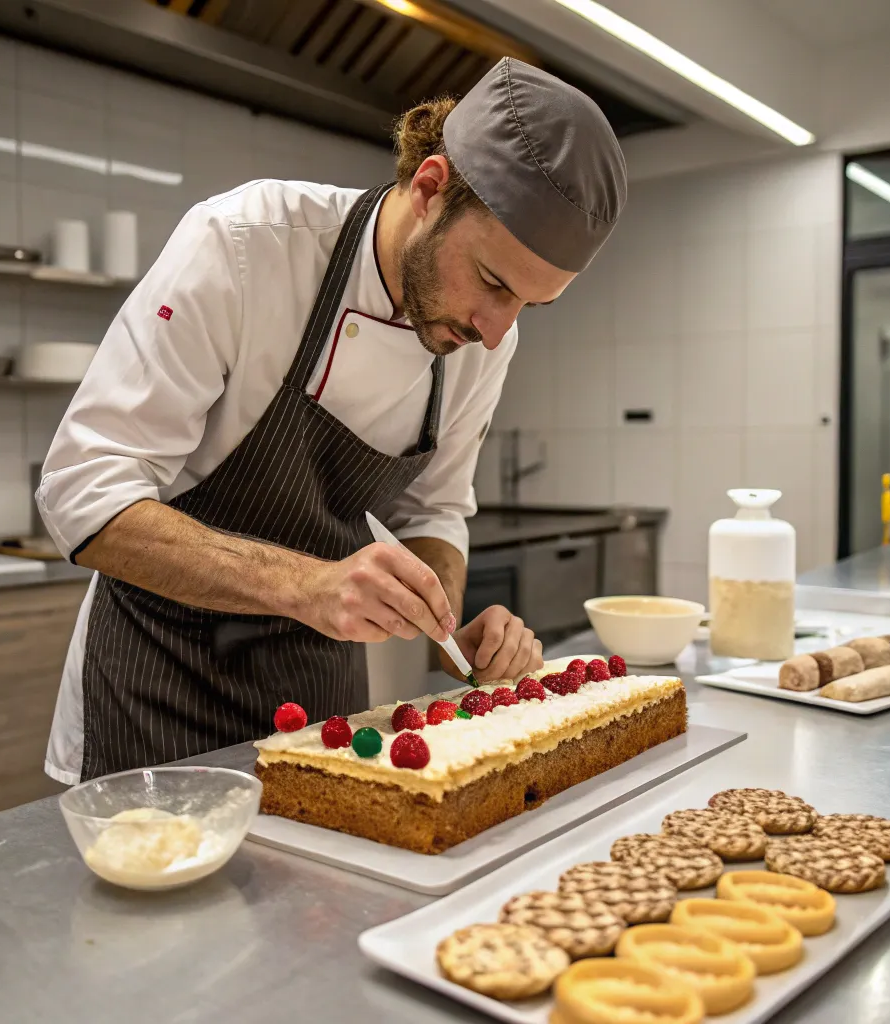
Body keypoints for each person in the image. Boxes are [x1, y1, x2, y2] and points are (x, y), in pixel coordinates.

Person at [38, 57, 627, 784]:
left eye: (529, 306)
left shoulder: (480, 340)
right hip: (154, 685)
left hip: (320, 707)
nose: (496, 330)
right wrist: (306, 586)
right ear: (430, 188)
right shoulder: (247, 243)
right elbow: (83, 492)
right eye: (492, 282)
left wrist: (448, 628)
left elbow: (435, 512)